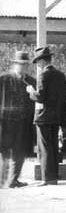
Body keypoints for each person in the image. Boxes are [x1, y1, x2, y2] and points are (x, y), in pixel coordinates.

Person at [27, 46, 66, 186]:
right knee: (53, 146)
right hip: (56, 116)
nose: (37, 65)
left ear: (43, 61)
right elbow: (65, 96)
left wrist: (31, 91)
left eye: (38, 62)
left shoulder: (43, 75)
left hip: (43, 117)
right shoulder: (61, 75)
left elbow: (40, 97)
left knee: (44, 148)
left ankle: (47, 178)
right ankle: (54, 175)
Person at [0, 51, 36, 188]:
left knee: (20, 152)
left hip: (23, 123)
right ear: (15, 64)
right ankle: (2, 181)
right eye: (21, 64)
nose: (24, 67)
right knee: (5, 152)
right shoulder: (3, 79)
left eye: (26, 65)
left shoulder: (31, 81)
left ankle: (13, 180)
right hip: (5, 122)